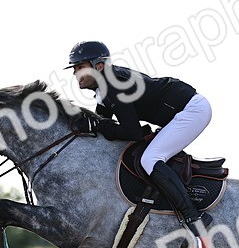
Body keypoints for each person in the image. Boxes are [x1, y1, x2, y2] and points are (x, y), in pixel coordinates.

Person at [66, 40, 213, 234]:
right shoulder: (105, 86)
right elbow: (102, 123)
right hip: (179, 110)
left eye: (80, 67)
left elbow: (131, 132)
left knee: (150, 159)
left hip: (192, 111)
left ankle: (194, 216)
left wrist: (99, 125)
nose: (75, 73)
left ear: (98, 66)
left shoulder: (114, 85)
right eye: (74, 68)